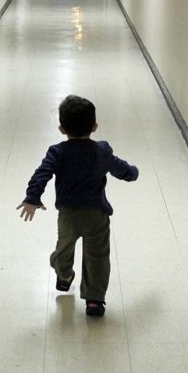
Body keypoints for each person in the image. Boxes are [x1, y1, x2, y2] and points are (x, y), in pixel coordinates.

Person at [16, 95, 139, 317]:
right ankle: (81, 287)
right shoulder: (99, 150)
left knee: (72, 252)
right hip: (90, 214)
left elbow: (41, 174)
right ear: (94, 126)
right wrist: (132, 173)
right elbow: (119, 168)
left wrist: (32, 197)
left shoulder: (59, 152)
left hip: (75, 215)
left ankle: (81, 289)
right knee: (97, 258)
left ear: (62, 129)